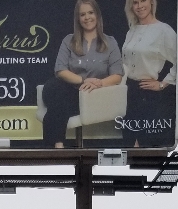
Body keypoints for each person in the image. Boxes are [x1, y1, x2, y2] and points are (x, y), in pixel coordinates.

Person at [41, 0, 123, 148]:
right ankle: (58, 145)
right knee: (55, 88)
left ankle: (55, 149)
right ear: (78, 18)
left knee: (57, 106)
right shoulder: (69, 40)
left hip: (94, 95)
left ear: (97, 15)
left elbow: (117, 75)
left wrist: (99, 83)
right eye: (82, 14)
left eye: (90, 13)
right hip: (68, 91)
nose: (87, 17)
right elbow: (60, 70)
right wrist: (83, 80)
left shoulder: (110, 42)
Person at [121, 0, 177, 147]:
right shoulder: (132, 30)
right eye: (135, 2)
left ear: (152, 2)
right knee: (128, 143)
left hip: (147, 95)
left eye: (143, 1)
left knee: (143, 144)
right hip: (128, 92)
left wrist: (162, 84)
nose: (140, 6)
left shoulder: (163, 30)